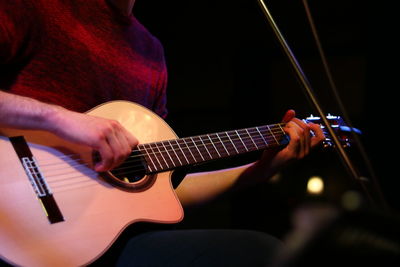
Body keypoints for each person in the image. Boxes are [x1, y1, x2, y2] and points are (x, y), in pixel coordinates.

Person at [0, 0, 325, 266]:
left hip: (93, 247)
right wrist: (59, 118)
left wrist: (258, 171)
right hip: (12, 221)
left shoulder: (150, 53)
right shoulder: (33, 6)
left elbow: (154, 194)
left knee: (257, 252)